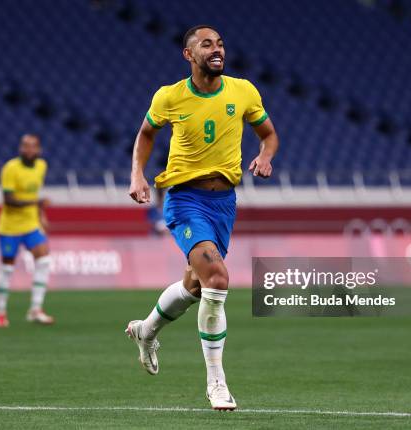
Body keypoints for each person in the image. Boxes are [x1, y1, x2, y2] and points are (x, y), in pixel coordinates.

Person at [126, 25, 279, 410]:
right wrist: (137, 175)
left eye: (221, 44)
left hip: (224, 203)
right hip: (185, 199)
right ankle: (217, 383)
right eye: (206, 44)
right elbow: (146, 134)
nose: (217, 49)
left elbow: (269, 134)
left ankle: (146, 331)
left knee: (196, 287)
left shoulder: (243, 91)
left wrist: (265, 156)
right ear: (188, 54)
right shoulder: (170, 96)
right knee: (218, 278)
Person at [0, 134, 54, 328]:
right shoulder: (10, 168)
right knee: (7, 268)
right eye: (25, 146)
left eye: (33, 146)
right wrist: (36, 203)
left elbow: (34, 194)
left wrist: (41, 216)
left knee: (44, 260)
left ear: (39, 149)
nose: (29, 150)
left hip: (30, 225)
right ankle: (0, 312)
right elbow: (8, 200)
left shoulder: (41, 166)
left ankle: (35, 309)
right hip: (9, 227)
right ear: (20, 148)